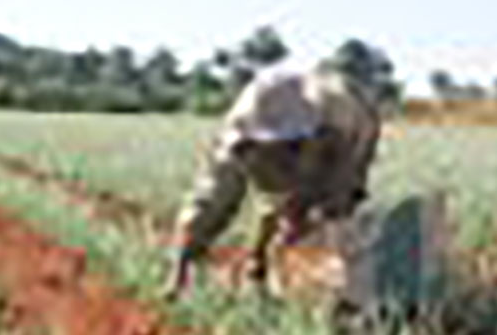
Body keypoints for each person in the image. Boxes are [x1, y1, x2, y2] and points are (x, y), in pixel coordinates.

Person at [161, 39, 400, 301]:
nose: (278, 162)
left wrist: (312, 218)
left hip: (346, 133)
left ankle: (331, 291)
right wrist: (181, 265)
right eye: (265, 152)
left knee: (329, 210)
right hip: (299, 137)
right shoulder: (238, 131)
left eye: (288, 150)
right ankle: (251, 269)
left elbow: (339, 190)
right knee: (234, 200)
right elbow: (210, 196)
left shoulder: (340, 124)